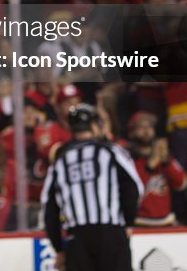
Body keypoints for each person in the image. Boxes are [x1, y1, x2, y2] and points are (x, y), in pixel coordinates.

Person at [41, 103, 143, 271]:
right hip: (111, 233)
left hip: (77, 240)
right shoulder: (111, 152)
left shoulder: (60, 161)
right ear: (95, 126)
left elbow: (49, 208)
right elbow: (133, 187)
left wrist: (58, 248)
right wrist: (128, 222)